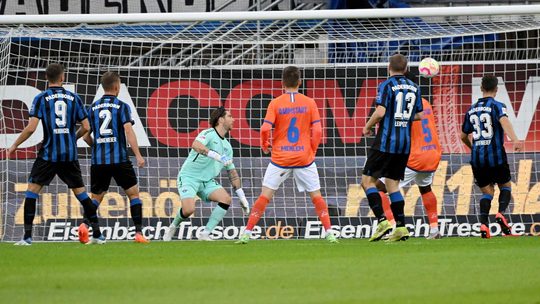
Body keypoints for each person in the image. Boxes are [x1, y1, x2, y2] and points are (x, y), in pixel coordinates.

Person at [236, 66, 338, 244]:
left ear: (282, 83)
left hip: (280, 159)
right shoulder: (310, 102)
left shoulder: (275, 103)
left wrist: (265, 145)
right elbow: (319, 130)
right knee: (317, 197)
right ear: (300, 82)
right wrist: (311, 150)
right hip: (304, 159)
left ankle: (247, 233)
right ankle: (329, 233)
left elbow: (265, 128)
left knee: (264, 196)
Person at [7, 63, 103, 245]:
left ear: (46, 78)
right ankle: (97, 234)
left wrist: (14, 145)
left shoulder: (41, 98)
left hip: (48, 154)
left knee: (31, 193)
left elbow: (31, 128)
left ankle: (27, 238)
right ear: (62, 78)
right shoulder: (74, 98)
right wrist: (73, 138)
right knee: (82, 195)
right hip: (69, 154)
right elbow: (87, 127)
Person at [163, 107, 250, 241]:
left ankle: (205, 233)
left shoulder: (227, 147)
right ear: (221, 119)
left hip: (207, 181)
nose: (234, 119)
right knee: (188, 210)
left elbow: (232, 172)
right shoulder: (208, 133)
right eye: (230, 116)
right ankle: (173, 226)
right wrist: (216, 156)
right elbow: (196, 145)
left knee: (226, 199)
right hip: (189, 177)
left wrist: (242, 197)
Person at [361, 54, 423, 242]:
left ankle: (382, 221)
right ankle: (401, 228)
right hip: (404, 145)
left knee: (367, 181)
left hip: (386, 142)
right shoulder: (414, 87)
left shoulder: (386, 85)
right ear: (405, 69)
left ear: (389, 67)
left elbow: (380, 112)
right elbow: (419, 115)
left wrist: (367, 126)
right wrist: (401, 119)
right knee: (392, 184)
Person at [82, 72, 148, 243]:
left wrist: (97, 146)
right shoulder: (122, 106)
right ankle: (139, 233)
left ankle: (84, 225)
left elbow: (84, 137)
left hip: (98, 161)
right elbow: (128, 130)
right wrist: (138, 155)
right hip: (119, 160)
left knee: (96, 198)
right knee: (133, 195)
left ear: (104, 87)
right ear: (117, 87)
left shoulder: (93, 107)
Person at [461, 75, 523, 238]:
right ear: (496, 89)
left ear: (481, 88)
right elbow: (504, 121)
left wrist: (473, 147)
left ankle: (483, 225)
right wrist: (515, 139)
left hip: (477, 158)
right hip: (495, 155)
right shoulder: (497, 106)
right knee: (506, 186)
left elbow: (462, 135)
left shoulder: (471, 109)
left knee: (487, 192)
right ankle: (501, 213)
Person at [377, 98, 442, 239]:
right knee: (425, 188)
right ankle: (434, 229)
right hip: (432, 153)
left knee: (378, 187)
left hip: (414, 157)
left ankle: (394, 227)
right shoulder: (425, 102)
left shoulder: (403, 104)